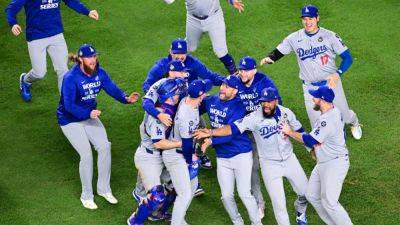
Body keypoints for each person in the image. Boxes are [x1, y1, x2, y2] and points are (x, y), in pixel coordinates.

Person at [194, 87, 309, 225]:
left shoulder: (286, 113)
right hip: (270, 164)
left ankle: (300, 210)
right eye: (263, 102)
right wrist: (211, 132)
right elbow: (232, 128)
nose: (265, 105)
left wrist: (311, 148)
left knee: (306, 193)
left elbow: (300, 131)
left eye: (269, 102)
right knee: (279, 205)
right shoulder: (254, 117)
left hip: (290, 159)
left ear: (276, 101)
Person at [260, 4, 362, 140]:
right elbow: (279, 50)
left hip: (331, 83)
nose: (307, 22)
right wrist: (270, 58)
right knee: (317, 125)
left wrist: (338, 74)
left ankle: (354, 122)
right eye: (305, 19)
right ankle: (328, 144)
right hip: (309, 87)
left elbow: (348, 58)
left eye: (311, 19)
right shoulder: (294, 38)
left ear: (317, 18)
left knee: (345, 115)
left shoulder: (330, 36)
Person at [57, 44, 140, 209]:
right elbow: (68, 106)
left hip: (89, 115)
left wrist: (126, 98)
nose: (93, 60)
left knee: (104, 147)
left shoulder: (99, 73)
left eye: (94, 56)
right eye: (89, 57)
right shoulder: (70, 78)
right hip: (69, 120)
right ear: (81, 59)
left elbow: (112, 88)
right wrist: (88, 114)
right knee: (86, 155)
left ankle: (104, 189)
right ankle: (86, 195)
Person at [143, 39, 223, 169]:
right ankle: (166, 157)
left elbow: (210, 76)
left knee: (198, 126)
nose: (180, 57)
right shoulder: (161, 66)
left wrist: (228, 81)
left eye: (183, 54)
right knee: (162, 134)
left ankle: (198, 153)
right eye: (176, 53)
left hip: (185, 104)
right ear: (170, 51)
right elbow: (147, 86)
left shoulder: (192, 64)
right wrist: (159, 105)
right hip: (167, 107)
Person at [281, 85, 354, 225]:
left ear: (323, 100)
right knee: (312, 195)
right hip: (324, 161)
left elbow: (310, 140)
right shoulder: (332, 111)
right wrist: (316, 150)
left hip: (335, 163)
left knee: (330, 202)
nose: (312, 99)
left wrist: (289, 132)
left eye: (315, 97)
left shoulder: (327, 120)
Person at [196, 75, 262, 225]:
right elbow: (194, 105)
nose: (222, 89)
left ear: (235, 91)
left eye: (227, 87)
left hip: (241, 155)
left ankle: (256, 222)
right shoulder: (212, 101)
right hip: (222, 156)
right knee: (226, 196)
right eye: (222, 85)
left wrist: (211, 140)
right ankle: (237, 222)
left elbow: (231, 133)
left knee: (244, 193)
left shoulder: (239, 107)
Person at [5, 0, 99, 101]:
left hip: (56, 34)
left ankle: (66, 105)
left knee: (63, 70)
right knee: (39, 73)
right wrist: (13, 23)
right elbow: (11, 8)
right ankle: (25, 80)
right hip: (36, 36)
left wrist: (87, 12)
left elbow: (71, 1)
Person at [128, 78, 192, 225]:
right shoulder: (158, 116)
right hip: (149, 158)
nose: (180, 94)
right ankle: (135, 221)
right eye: (177, 92)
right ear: (171, 96)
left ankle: (157, 213)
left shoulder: (168, 107)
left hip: (164, 156)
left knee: (177, 187)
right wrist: (182, 143)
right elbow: (159, 144)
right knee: (156, 196)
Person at [236, 56, 282, 218]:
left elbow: (278, 104)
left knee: (274, 164)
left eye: (246, 70)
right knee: (253, 167)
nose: (242, 73)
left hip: (264, 128)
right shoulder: (235, 81)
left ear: (254, 70)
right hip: (245, 130)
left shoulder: (264, 82)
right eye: (241, 69)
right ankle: (259, 203)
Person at [163, 0, 244, 74]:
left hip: (214, 18)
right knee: (190, 47)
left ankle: (234, 73)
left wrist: (231, 1)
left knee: (220, 51)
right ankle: (167, 67)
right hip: (193, 20)